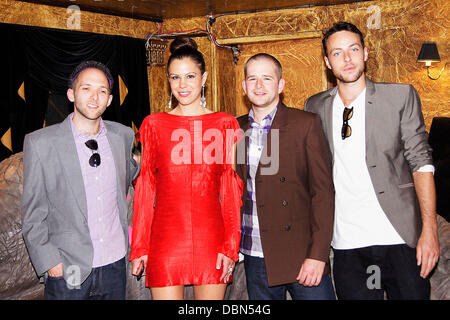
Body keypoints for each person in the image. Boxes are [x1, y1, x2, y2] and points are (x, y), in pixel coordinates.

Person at [304, 22, 440, 300]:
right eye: (338, 53)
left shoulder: (400, 96)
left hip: (399, 239)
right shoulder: (314, 106)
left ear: (365, 53)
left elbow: (421, 164)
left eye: (353, 49)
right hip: (348, 246)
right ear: (328, 62)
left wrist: (430, 230)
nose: (348, 58)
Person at [129, 37, 243, 300]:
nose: (182, 85)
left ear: (203, 79)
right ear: (167, 81)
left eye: (190, 76)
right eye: (175, 77)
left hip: (211, 238)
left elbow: (230, 191)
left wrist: (230, 246)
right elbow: (145, 188)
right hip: (165, 239)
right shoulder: (154, 125)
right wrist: (140, 247)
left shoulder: (224, 124)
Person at [21, 60, 139, 300]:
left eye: (102, 91)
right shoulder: (41, 143)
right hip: (69, 266)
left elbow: (129, 173)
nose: (94, 97)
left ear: (109, 99)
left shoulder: (122, 136)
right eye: (86, 88)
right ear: (71, 94)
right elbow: (32, 215)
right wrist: (50, 263)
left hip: (115, 264)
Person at [236, 53, 336, 300]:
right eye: (252, 79)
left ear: (280, 85)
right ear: (244, 86)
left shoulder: (305, 124)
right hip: (255, 253)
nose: (259, 85)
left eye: (267, 78)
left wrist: (318, 255)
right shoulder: (234, 129)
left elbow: (323, 193)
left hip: (301, 254)